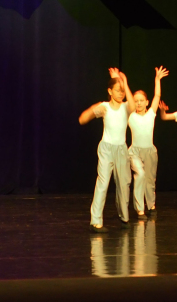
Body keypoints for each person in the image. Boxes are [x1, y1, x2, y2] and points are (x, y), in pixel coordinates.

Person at [79, 69, 135, 233]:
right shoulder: (105, 107)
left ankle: (124, 217)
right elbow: (84, 118)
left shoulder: (126, 106)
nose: (121, 93)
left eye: (123, 91)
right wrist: (91, 111)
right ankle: (95, 221)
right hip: (106, 149)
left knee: (123, 184)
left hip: (121, 149)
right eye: (118, 90)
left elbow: (133, 107)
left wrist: (125, 83)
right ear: (110, 91)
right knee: (102, 183)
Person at [128, 66, 169, 219]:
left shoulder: (151, 114)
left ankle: (151, 205)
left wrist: (157, 80)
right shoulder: (130, 116)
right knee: (140, 175)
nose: (138, 103)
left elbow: (157, 95)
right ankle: (140, 209)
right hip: (135, 152)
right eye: (135, 101)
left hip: (150, 151)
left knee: (150, 179)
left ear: (146, 102)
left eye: (141, 101)